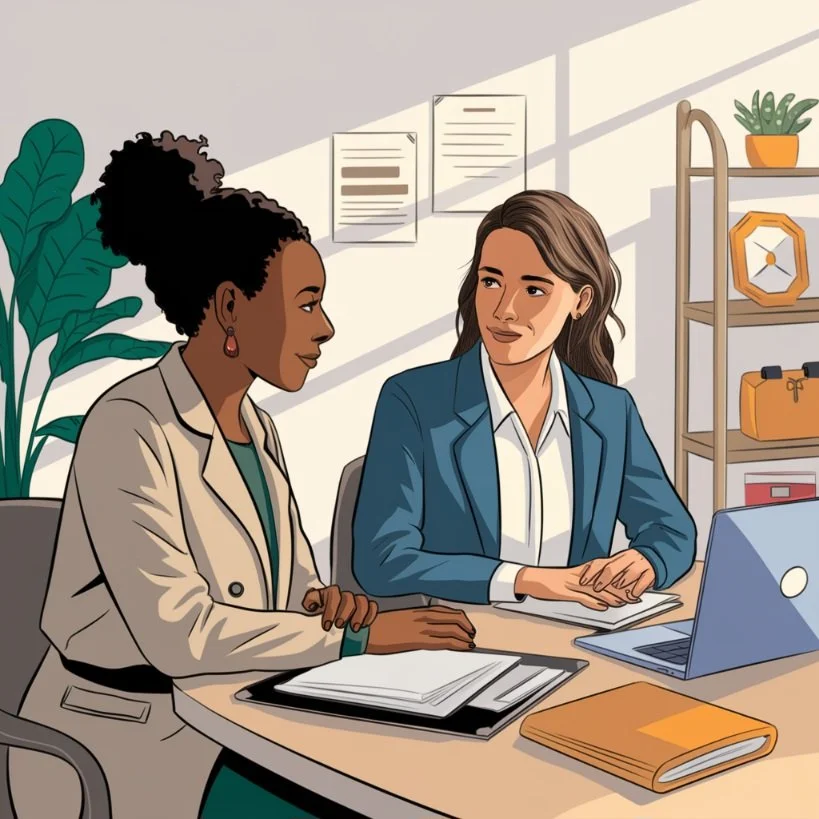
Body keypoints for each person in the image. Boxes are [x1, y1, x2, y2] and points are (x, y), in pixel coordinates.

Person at [8, 132, 476, 819]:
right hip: (119, 741)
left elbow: (286, 594)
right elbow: (183, 632)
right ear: (230, 306)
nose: (326, 329)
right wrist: (356, 636)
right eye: (307, 302)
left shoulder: (256, 429)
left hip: (233, 714)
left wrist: (327, 605)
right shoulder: (130, 426)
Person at [353, 190, 696, 609]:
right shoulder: (414, 401)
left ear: (580, 302)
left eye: (533, 290)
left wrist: (647, 560)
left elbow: (672, 527)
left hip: (581, 640)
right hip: (465, 643)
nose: (504, 310)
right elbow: (381, 558)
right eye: (491, 281)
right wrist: (527, 581)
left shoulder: (609, 411)